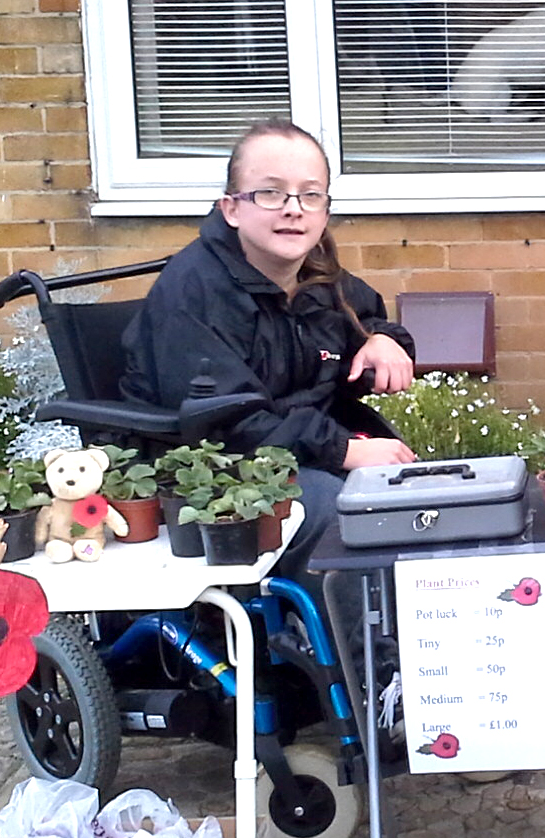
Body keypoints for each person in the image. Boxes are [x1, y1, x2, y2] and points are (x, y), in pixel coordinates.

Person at [121, 117, 418, 620]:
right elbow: (228, 423)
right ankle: (350, 680)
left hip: (289, 448)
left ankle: (427, 658)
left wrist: (384, 339)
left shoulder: (313, 275)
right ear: (231, 209)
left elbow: (365, 313)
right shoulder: (195, 293)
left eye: (311, 195)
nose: (293, 210)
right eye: (270, 194)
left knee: (418, 492)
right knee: (331, 507)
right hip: (203, 466)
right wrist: (341, 448)